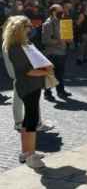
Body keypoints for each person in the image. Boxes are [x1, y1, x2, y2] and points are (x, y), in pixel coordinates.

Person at [3, 15, 52, 169]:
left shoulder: (23, 44)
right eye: (28, 26)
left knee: (28, 120)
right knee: (31, 121)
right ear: (19, 29)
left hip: (32, 86)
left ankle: (26, 152)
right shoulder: (15, 47)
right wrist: (46, 72)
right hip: (28, 86)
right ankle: (31, 156)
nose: (31, 28)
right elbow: (26, 71)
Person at [41, 4, 71, 99]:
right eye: (60, 10)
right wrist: (60, 41)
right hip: (52, 53)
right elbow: (45, 40)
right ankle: (47, 93)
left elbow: (66, 37)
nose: (62, 12)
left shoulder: (61, 22)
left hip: (61, 51)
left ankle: (61, 91)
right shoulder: (48, 23)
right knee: (49, 74)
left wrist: (69, 39)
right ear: (53, 12)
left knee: (60, 74)